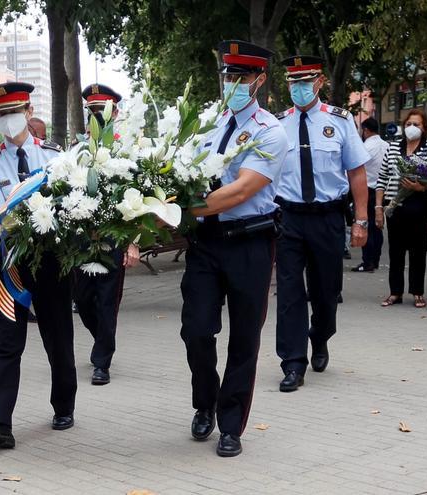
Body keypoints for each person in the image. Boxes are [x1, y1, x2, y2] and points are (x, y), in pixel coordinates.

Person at [181, 41, 287, 458]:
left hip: (250, 242)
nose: (233, 83)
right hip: (205, 243)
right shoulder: (206, 122)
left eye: (241, 77)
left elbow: (242, 189)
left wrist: (177, 211)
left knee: (244, 338)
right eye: (228, 75)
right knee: (196, 331)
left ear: (259, 80)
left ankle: (230, 424)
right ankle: (204, 400)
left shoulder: (269, 130)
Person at [0, 82, 75, 450]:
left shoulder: (53, 157)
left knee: (57, 335)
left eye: (12, 112)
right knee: (6, 341)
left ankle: (64, 403)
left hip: (49, 259)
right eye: (0, 115)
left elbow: (67, 206)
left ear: (28, 112)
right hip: (7, 261)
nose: (6, 120)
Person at [274, 55, 369, 393]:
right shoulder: (277, 124)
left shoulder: (340, 121)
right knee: (288, 292)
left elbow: (356, 172)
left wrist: (361, 220)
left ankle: (321, 336)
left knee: (326, 292)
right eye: (292, 82)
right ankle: (293, 362)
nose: (297, 88)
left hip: (328, 216)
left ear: (319, 82)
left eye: (304, 81)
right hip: (289, 219)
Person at [72, 84, 140, 386]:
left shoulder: (126, 152)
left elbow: (138, 199)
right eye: (93, 112)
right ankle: (101, 338)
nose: (97, 117)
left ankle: (102, 362)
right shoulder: (77, 150)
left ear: (115, 113)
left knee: (106, 301)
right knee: (83, 301)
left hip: (114, 237)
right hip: (82, 239)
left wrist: (133, 242)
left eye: (103, 111)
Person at [376, 109, 427, 308]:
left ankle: (417, 292)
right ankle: (395, 292)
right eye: (408, 124)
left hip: (419, 206)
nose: (412, 128)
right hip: (394, 206)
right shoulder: (393, 147)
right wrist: (378, 208)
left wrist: (421, 186)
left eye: (416, 124)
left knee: (418, 252)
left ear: (424, 128)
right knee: (396, 252)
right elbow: (381, 179)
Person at [352, 118, 388, 273]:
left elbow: (357, 169)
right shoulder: (387, 145)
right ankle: (376, 260)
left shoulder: (365, 147)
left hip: (368, 189)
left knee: (366, 225)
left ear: (365, 130)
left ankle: (367, 262)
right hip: (382, 190)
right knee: (377, 227)